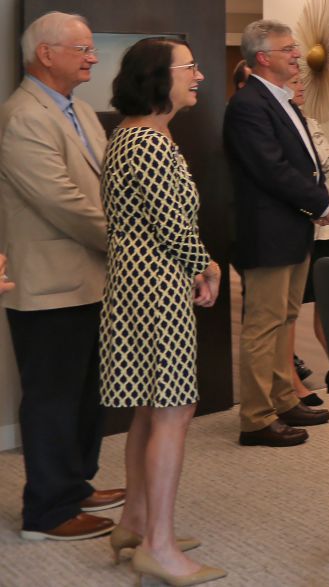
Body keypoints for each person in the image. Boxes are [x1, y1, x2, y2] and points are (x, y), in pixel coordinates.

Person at [100, 38, 226, 585]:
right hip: (155, 291)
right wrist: (209, 265)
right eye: (189, 67)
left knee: (150, 410)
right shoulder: (148, 143)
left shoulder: (136, 134)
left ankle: (134, 522)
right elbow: (173, 228)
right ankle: (159, 546)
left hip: (136, 286)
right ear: (159, 76)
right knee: (174, 409)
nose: (198, 75)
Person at [0, 11, 123, 542]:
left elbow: (107, 186)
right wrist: (129, 242)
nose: (92, 57)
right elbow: (63, 203)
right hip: (49, 285)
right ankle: (47, 512)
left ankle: (75, 484)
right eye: (82, 48)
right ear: (45, 53)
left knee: (88, 391)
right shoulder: (22, 117)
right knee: (52, 397)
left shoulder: (80, 111)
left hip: (91, 277)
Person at [224, 20, 329, 448]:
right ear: (262, 58)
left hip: (292, 226)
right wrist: (322, 203)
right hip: (266, 231)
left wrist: (314, 202)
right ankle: (255, 418)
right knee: (264, 324)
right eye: (288, 49)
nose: (298, 55)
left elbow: (303, 162)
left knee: (286, 318)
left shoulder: (282, 100)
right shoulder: (248, 105)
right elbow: (271, 169)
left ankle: (283, 398)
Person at [287, 73, 329, 407]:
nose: (301, 86)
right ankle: (293, 382)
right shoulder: (280, 126)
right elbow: (325, 162)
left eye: (301, 81)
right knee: (290, 309)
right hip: (299, 226)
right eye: (294, 80)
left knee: (328, 302)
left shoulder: (310, 123)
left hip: (326, 229)